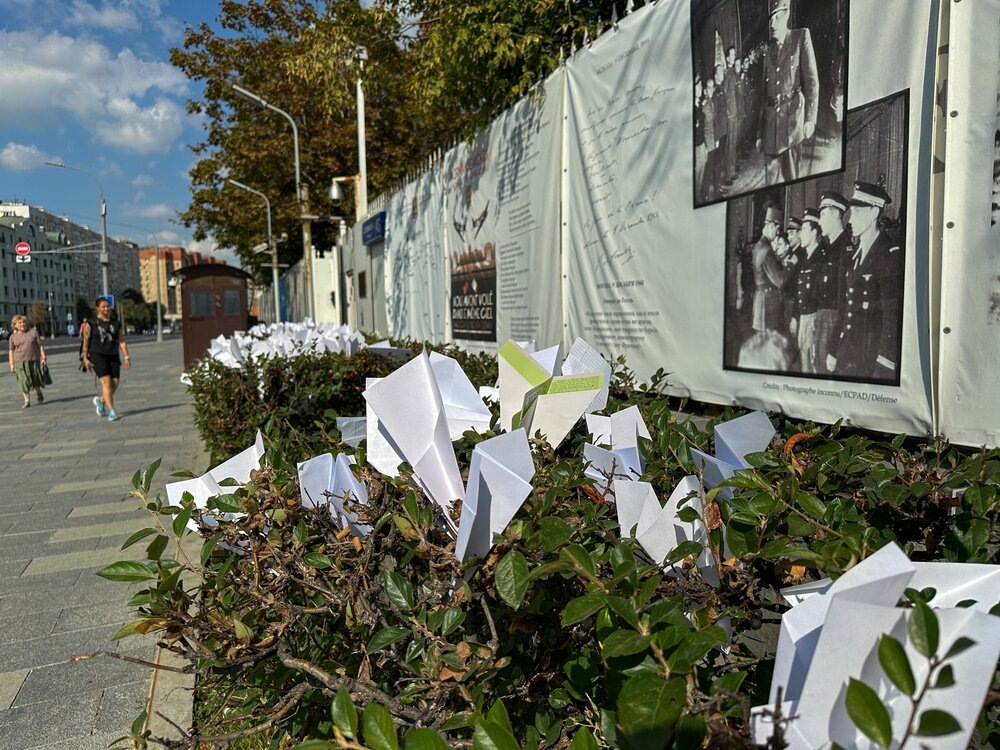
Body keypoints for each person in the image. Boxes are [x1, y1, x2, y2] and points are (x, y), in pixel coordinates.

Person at [828, 182, 901, 379]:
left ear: (874, 213)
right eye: (851, 213)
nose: (851, 220)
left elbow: (891, 318)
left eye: (857, 213)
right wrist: (834, 349)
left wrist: (885, 364)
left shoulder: (889, 254)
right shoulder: (855, 255)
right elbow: (846, 308)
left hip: (870, 357)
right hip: (848, 351)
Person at [756, 0, 819, 183]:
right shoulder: (767, 50)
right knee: (771, 182)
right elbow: (764, 95)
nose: (773, 23)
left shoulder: (801, 37)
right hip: (770, 127)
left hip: (792, 123)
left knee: (792, 178)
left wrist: (810, 119)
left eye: (778, 17)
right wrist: (760, 133)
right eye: (770, 19)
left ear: (788, 14)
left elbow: (812, 80)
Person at [815, 190, 850, 371]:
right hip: (823, 320)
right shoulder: (828, 248)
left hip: (833, 324)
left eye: (822, 215)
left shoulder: (846, 248)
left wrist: (834, 348)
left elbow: (844, 301)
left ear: (836, 214)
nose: (819, 221)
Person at [81, 297, 132, 421]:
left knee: (115, 382)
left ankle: (101, 400)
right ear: (98, 308)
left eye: (108, 306)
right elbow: (85, 341)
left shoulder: (116, 323)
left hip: (113, 355)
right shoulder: (91, 323)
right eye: (103, 306)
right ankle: (112, 411)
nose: (106, 308)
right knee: (106, 382)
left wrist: (126, 356)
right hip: (97, 355)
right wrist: (85, 358)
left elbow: (121, 340)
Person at [789, 208, 825, 373]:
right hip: (803, 317)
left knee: (813, 366)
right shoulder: (804, 259)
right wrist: (795, 316)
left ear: (814, 232)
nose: (800, 234)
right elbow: (799, 292)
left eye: (803, 230)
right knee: (805, 365)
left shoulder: (821, 259)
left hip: (814, 319)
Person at [750, 205, 789, 335]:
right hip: (767, 304)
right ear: (772, 226)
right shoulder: (767, 249)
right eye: (777, 230)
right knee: (768, 345)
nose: (777, 234)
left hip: (760, 300)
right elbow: (780, 281)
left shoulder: (758, 245)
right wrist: (790, 265)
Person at [7, 314, 47, 408]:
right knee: (23, 381)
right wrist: (11, 364)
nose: (23, 324)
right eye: (20, 323)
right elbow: (11, 351)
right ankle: (27, 401)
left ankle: (39, 392)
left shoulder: (33, 333)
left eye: (24, 322)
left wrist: (43, 358)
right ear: (15, 325)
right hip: (19, 362)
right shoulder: (12, 337)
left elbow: (40, 345)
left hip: (33, 360)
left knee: (36, 379)